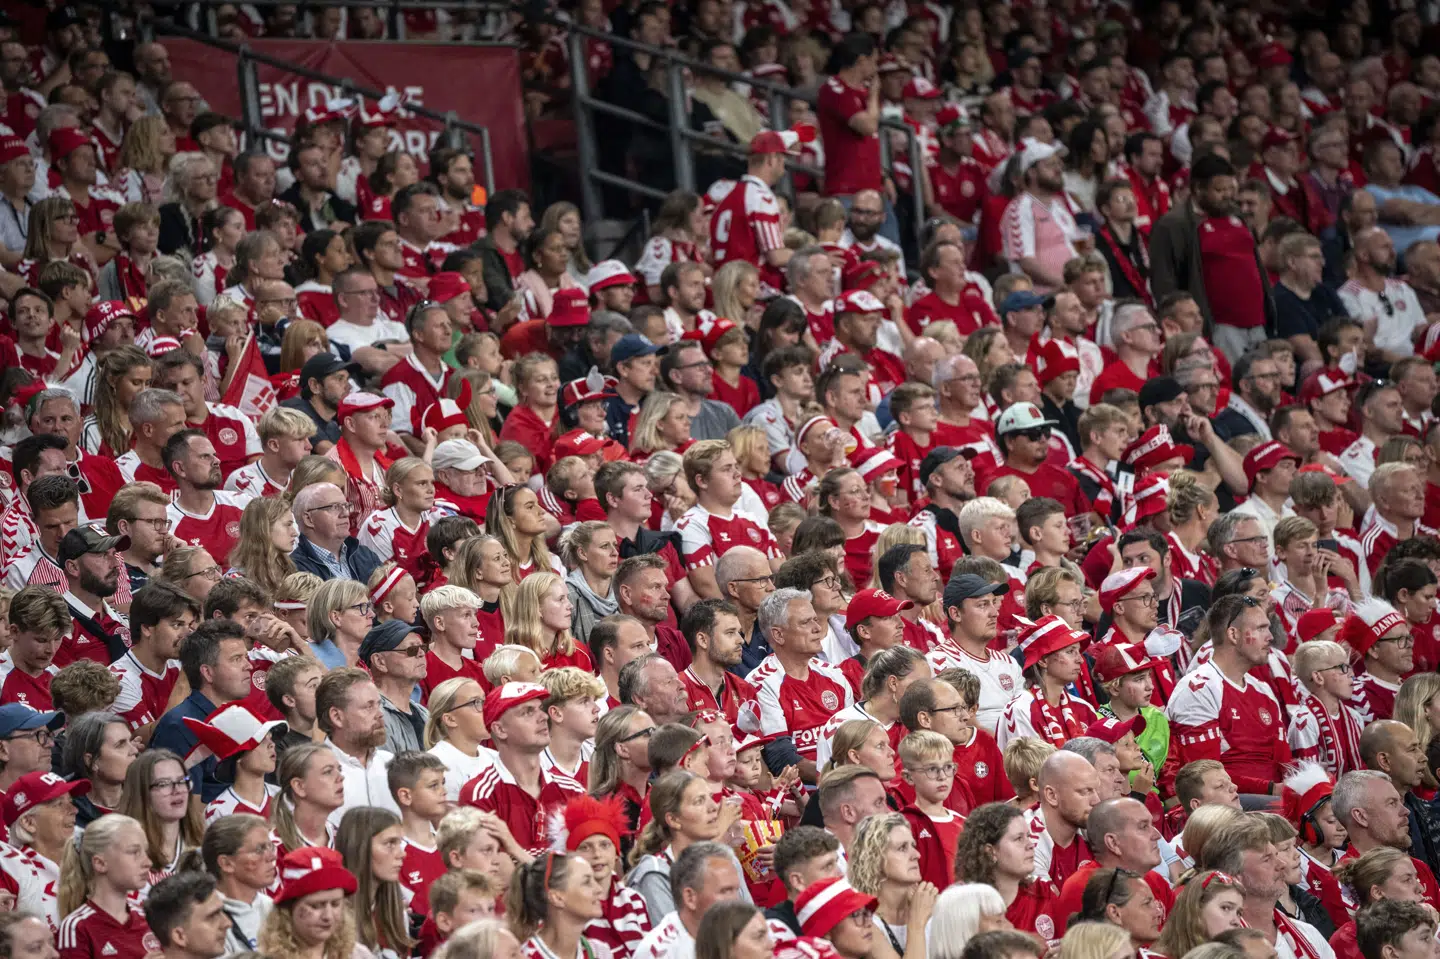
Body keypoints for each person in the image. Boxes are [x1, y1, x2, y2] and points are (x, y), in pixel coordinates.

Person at [1167, 595, 1294, 796]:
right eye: (1261, 628)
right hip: (1226, 803)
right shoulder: (1199, 689)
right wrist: (1271, 789)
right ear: (1233, 635)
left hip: (1271, 798)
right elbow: (1203, 779)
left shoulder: (1263, 690)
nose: (1270, 636)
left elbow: (1284, 763)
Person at [55, 814, 156, 959]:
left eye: (145, 852)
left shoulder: (148, 919)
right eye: (134, 852)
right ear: (100, 863)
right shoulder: (76, 927)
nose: (148, 862)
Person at [631, 841, 745, 959]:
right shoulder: (663, 953)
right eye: (725, 891)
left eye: (736, 890)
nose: (736, 900)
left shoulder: (732, 933)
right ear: (690, 898)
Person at [998, 615, 1096, 750]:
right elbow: (1029, 764)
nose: (1080, 659)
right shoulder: (1021, 710)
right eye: (1070, 652)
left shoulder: (1084, 708)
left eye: (1078, 651)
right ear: (1043, 660)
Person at [316, 668, 398, 823]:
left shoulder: (392, 764)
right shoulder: (315, 776)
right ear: (337, 717)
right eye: (369, 707)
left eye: (379, 704)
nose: (380, 714)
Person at [256, 846, 368, 959]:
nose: (328, 916)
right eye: (316, 906)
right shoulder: (267, 957)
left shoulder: (358, 955)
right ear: (289, 909)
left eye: (335, 904)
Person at [334, 807, 412, 959]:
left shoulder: (397, 914)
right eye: (390, 843)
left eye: (400, 843)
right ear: (359, 848)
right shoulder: (333, 916)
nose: (402, 854)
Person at [200, 813, 276, 953]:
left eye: (270, 847)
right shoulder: (207, 920)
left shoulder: (271, 907)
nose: (272, 856)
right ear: (226, 864)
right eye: (259, 850)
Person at [359, 620, 428, 756]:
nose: (421, 654)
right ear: (380, 661)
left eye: (422, 648)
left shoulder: (424, 714)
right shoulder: (374, 717)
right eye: (411, 650)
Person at [271, 744, 344, 852]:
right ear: (299, 786)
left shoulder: (344, 841)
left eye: (339, 769)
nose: (341, 777)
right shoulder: (272, 848)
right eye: (328, 772)